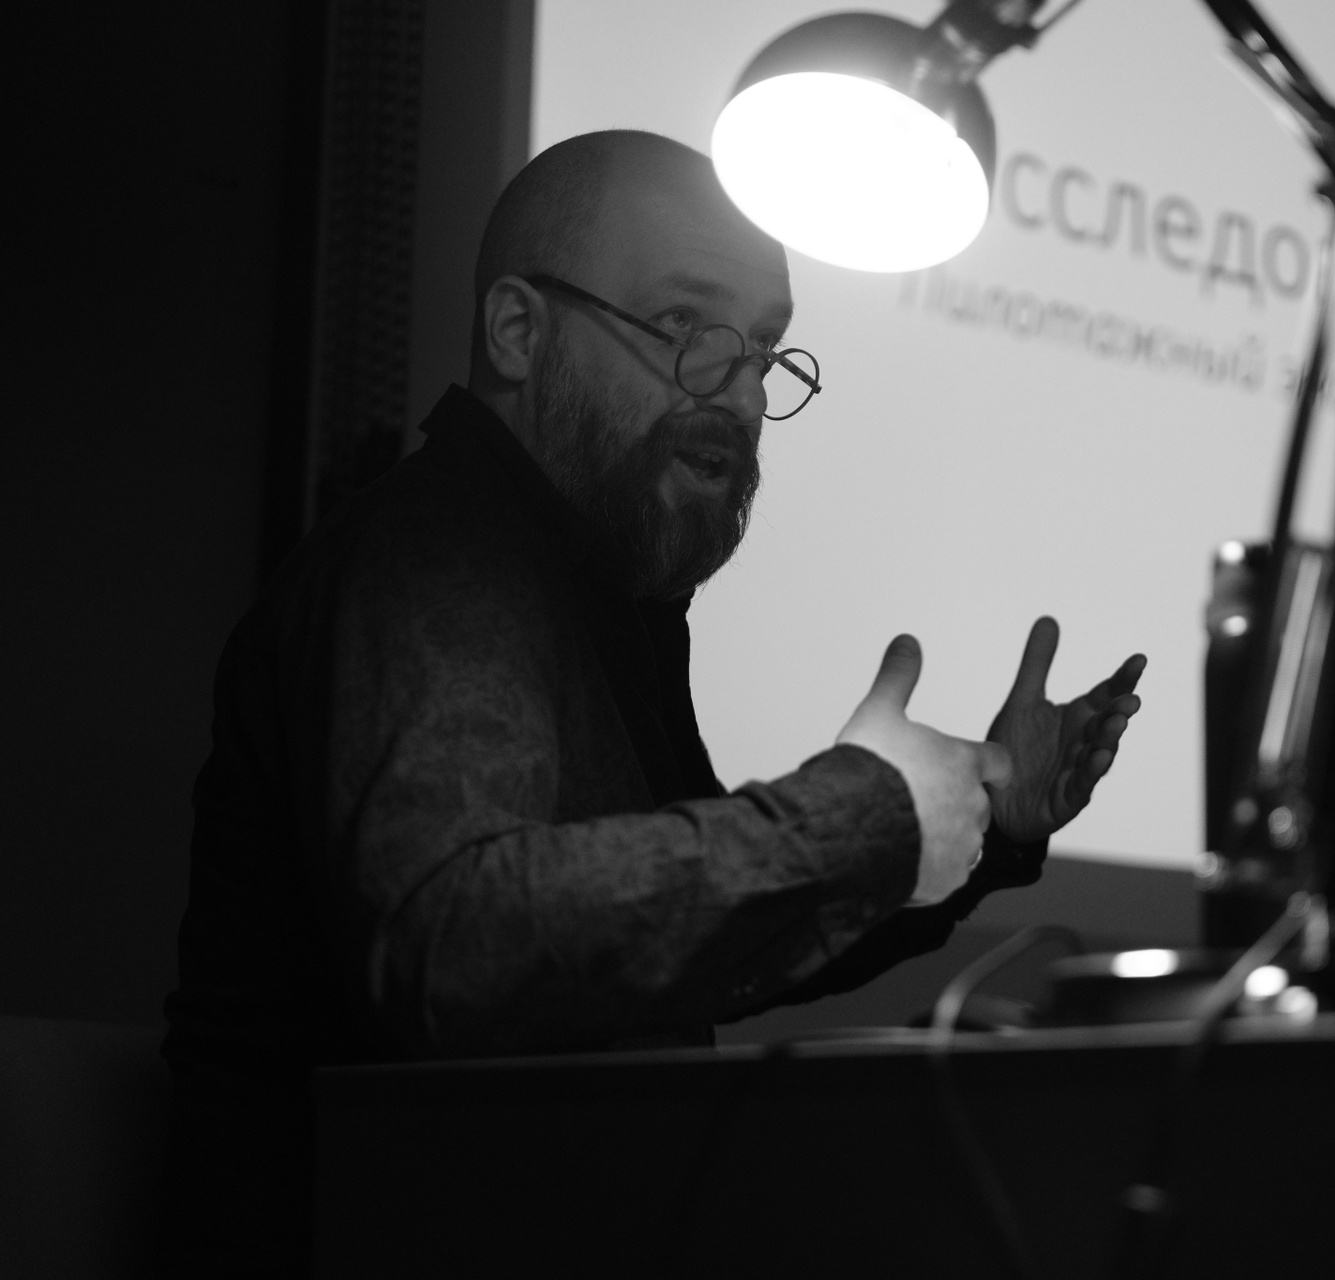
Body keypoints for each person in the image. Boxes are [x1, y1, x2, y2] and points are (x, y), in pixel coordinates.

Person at [160, 129, 1147, 1273]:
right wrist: (861, 809)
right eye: (684, 325)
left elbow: (677, 941)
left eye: (763, 347)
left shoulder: (608, 599)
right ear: (519, 330)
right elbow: (456, 943)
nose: (740, 392)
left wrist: (977, 817)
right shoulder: (438, 559)